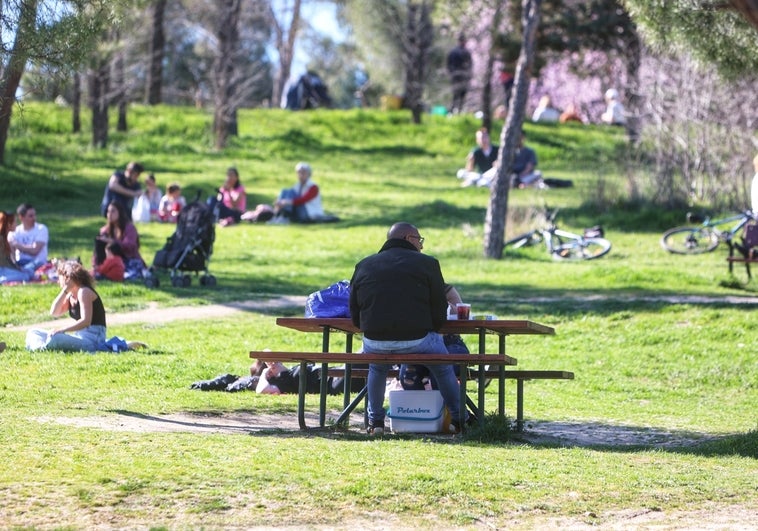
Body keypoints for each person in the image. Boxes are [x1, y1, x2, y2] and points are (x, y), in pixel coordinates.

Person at [349, 222, 469, 435]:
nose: (421, 246)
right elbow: (439, 308)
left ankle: (375, 422)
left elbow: (354, 310)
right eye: (419, 240)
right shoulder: (427, 264)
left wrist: (368, 328)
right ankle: (460, 420)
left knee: (377, 367)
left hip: (375, 340)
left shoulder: (364, 265)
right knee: (442, 365)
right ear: (408, 238)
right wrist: (433, 328)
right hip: (418, 338)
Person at [25, 260, 107, 352]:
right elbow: (54, 312)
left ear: (67, 277)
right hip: (79, 336)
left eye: (59, 277)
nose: (58, 281)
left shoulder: (84, 292)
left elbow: (85, 321)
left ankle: (40, 347)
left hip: (92, 341)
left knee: (56, 338)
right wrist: (66, 290)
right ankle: (41, 347)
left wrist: (62, 330)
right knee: (33, 332)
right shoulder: (70, 295)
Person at [94, 201, 145, 278]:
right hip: (109, 259)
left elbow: (130, 245)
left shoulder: (129, 228)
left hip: (127, 258)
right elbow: (97, 251)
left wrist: (113, 241)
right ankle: (99, 268)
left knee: (114, 246)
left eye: (113, 211)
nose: (110, 214)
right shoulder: (105, 230)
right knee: (100, 241)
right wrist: (94, 264)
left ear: (120, 212)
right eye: (108, 211)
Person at [7, 203, 49, 271]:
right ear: (21, 217)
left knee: (28, 269)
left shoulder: (41, 229)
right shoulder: (15, 231)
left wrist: (16, 245)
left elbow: (35, 250)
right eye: (30, 216)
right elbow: (11, 252)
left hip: (37, 262)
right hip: (20, 261)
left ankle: (23, 272)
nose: (34, 218)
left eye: (35, 215)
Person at [0, 211, 33, 284]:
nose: (17, 224)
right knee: (26, 276)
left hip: (5, 268)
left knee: (30, 272)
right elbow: (4, 262)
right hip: (2, 269)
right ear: (9, 224)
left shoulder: (6, 238)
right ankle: (2, 280)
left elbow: (10, 261)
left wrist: (18, 268)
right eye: (15, 222)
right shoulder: (1, 240)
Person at [446, 34, 472, 114]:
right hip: (459, 75)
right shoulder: (462, 52)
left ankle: (456, 110)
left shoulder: (457, 51)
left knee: (459, 94)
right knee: (458, 94)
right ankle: (456, 110)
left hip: (459, 75)